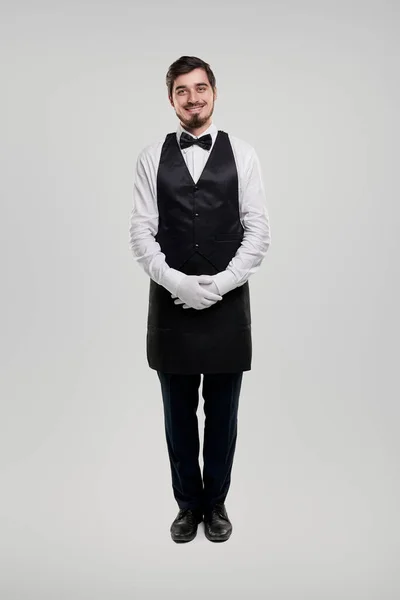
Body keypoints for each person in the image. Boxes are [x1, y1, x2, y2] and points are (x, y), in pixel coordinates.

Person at [129, 55, 271, 543]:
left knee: (224, 415)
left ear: (214, 92)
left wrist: (220, 283)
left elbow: (258, 233)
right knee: (178, 416)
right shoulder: (151, 157)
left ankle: (217, 504)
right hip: (170, 307)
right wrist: (178, 283)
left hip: (228, 308)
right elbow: (141, 234)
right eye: (183, 91)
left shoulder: (246, 154)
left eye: (201, 88)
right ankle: (187, 506)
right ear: (171, 99)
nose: (193, 98)